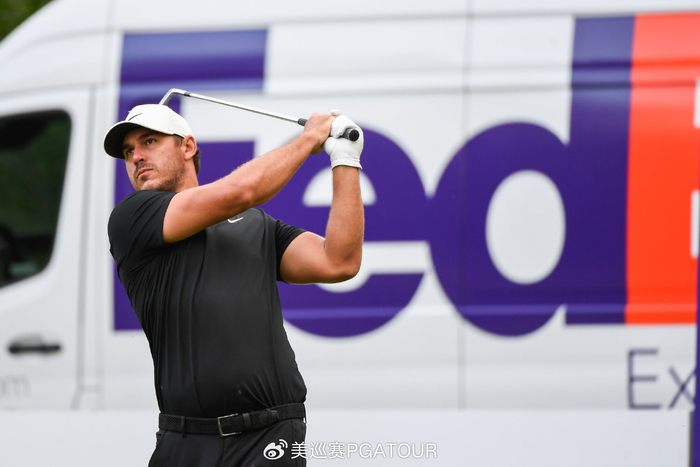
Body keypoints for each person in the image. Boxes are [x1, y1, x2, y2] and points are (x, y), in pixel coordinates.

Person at [104, 103, 364, 467]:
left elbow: (339, 262)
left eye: (149, 142)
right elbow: (240, 191)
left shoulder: (256, 224)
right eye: (128, 151)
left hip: (270, 437)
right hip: (186, 442)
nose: (136, 157)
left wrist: (345, 160)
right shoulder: (132, 216)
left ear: (187, 147)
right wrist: (309, 139)